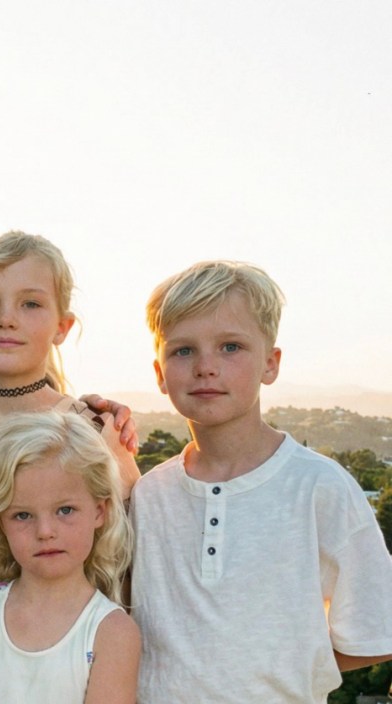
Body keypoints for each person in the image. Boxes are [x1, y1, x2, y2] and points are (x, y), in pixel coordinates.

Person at [132, 260, 392, 702]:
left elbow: (376, 629)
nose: (206, 366)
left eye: (230, 347)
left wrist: (285, 667)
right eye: (183, 350)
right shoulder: (147, 495)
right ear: (159, 374)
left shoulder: (319, 486)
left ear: (270, 364)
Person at [0, 231, 141, 592]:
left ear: (62, 327)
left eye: (30, 304)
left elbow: (127, 553)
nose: (6, 319)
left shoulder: (96, 430)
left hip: (60, 621)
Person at [0, 412, 140, 704]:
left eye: (65, 510)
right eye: (22, 515)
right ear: (0, 522)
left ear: (99, 511)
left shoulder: (112, 632)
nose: (45, 532)